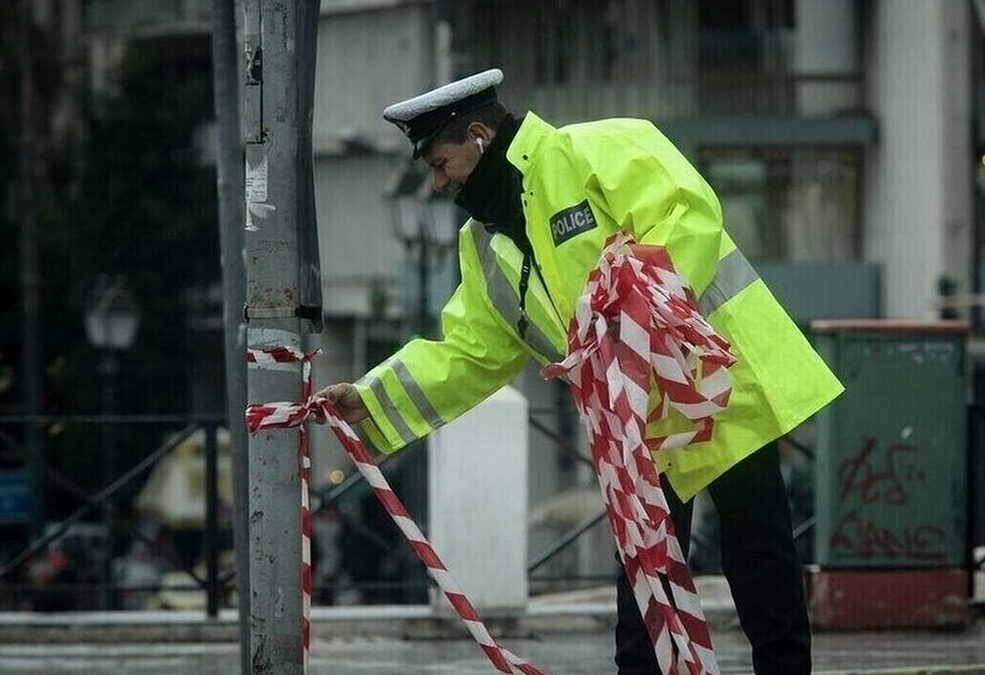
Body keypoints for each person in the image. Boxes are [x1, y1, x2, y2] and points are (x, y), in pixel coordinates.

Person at [318, 68, 843, 675]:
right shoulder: (483, 243)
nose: (437, 182)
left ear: (480, 137)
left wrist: (630, 312)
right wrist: (370, 399)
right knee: (643, 567)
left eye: (441, 163)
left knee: (757, 549)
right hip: (633, 417)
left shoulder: (597, 148)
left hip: (716, 380)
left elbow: (687, 216)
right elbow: (470, 351)